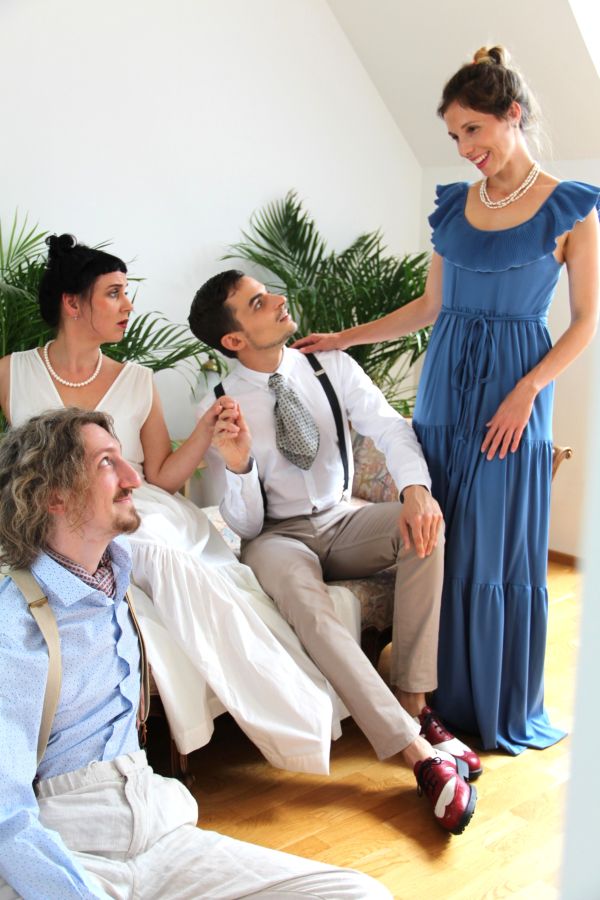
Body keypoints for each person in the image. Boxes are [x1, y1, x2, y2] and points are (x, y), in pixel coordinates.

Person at [293, 46, 600, 754]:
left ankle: (493, 702)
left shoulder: (570, 210)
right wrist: (345, 337)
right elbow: (429, 307)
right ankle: (431, 701)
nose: (465, 149)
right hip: (444, 393)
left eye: (473, 130)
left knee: (493, 545)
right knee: (440, 538)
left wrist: (528, 391)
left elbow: (586, 322)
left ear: (512, 115)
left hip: (513, 396)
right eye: (456, 136)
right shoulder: (455, 207)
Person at [0, 407, 392, 900]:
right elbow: (6, 815)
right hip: (69, 845)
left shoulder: (118, 579)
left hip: (161, 830)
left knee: (358, 894)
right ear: (53, 496)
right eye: (106, 464)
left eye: (124, 460)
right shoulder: (14, 623)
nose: (133, 479)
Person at [0, 233, 352, 777]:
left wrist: (208, 430)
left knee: (164, 556)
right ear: (73, 303)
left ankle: (293, 712)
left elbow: (161, 475)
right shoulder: (11, 371)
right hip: (49, 514)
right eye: (113, 293)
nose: (128, 304)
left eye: (126, 292)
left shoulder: (138, 381)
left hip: (135, 505)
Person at [189, 268, 480, 836]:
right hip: (276, 537)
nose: (279, 299)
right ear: (233, 338)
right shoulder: (217, 404)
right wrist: (241, 465)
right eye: (258, 302)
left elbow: (390, 429)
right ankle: (416, 752)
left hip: (342, 517)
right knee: (310, 606)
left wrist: (415, 491)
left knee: (425, 529)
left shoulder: (330, 366)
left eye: (269, 291)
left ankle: (414, 700)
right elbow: (242, 522)